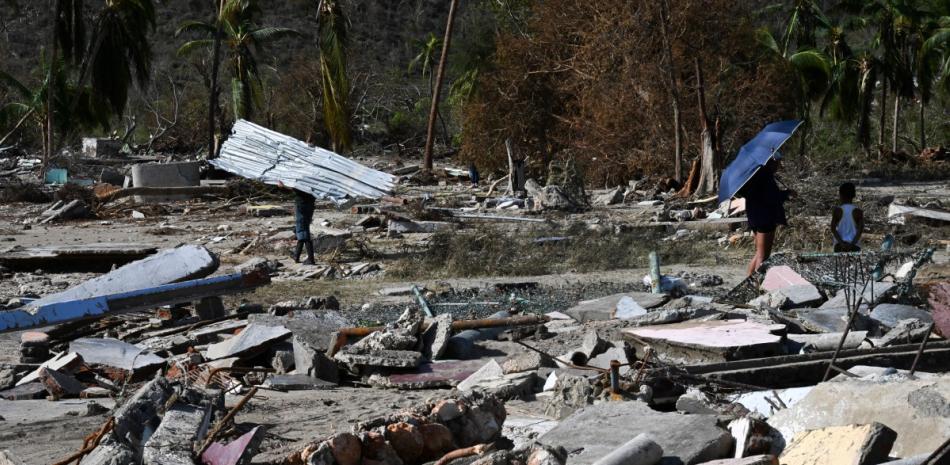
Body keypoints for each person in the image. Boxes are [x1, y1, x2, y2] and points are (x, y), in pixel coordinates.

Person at [740, 154, 795, 276]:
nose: (779, 165)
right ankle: (758, 283)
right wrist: (787, 194)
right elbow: (772, 197)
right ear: (772, 161)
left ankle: (749, 280)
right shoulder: (765, 176)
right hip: (765, 217)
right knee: (763, 256)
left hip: (754, 217)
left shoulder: (755, 175)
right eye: (778, 162)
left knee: (759, 252)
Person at [831, 182, 863, 252]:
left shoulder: (837, 211)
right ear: (853, 195)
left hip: (839, 246)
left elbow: (833, 229)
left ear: (840, 195)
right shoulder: (858, 212)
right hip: (855, 247)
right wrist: (852, 244)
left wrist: (842, 243)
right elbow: (860, 231)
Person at [291, 186, 316, 265]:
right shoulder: (312, 181)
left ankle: (311, 259)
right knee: (302, 229)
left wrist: (284, 186)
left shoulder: (302, 183)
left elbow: (296, 187)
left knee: (303, 231)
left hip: (302, 204)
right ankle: (296, 255)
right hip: (310, 204)